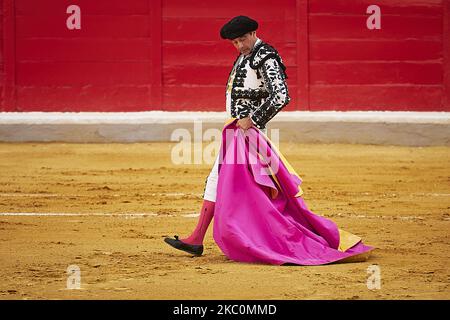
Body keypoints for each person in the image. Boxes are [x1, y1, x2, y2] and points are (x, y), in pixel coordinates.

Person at [164, 16, 290, 256]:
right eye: (234, 42)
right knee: (241, 186)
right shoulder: (247, 55)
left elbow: (281, 96)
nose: (240, 45)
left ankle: (202, 239)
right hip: (237, 131)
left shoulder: (265, 56)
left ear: (254, 33)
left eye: (243, 39)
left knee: (226, 182)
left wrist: (252, 120)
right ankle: (202, 238)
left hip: (247, 133)